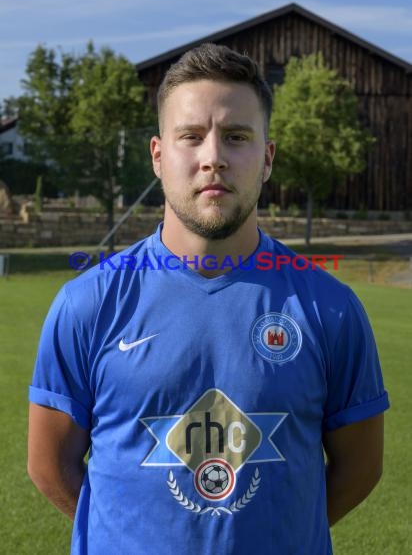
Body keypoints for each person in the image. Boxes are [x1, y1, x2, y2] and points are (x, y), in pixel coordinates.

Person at [28, 43, 389, 555]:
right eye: (191, 136)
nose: (213, 157)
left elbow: (362, 467)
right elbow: (48, 465)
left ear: (267, 159)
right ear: (158, 155)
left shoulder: (330, 309)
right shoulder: (86, 304)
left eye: (237, 137)